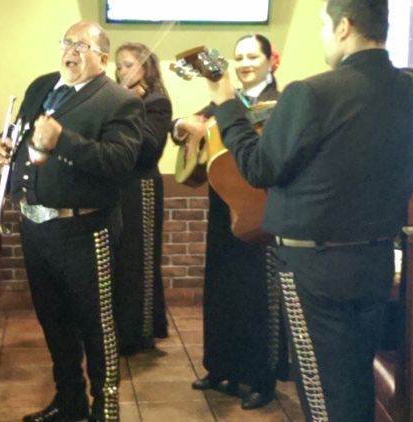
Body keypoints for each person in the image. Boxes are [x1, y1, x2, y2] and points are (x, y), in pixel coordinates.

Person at [204, 1, 413, 421]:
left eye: (324, 25)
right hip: (377, 257)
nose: (323, 35)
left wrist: (226, 104)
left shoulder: (312, 92)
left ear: (344, 26)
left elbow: (257, 168)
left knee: (323, 392)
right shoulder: (410, 90)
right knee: (357, 382)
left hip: (315, 266)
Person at [0, 21, 145, 422]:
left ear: (102, 59)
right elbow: (18, 134)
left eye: (81, 45)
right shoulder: (42, 86)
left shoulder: (118, 101)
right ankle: (69, 399)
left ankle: (105, 407)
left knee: (96, 325)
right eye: (66, 42)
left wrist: (64, 141)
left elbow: (119, 162)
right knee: (53, 322)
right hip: (35, 228)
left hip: (84, 231)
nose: (70, 50)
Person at [171, 34, 290, 410]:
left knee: (259, 299)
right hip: (223, 211)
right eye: (238, 57)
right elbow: (184, 131)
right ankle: (220, 367)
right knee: (221, 290)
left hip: (262, 212)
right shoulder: (225, 100)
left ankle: (261, 378)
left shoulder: (285, 103)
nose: (243, 63)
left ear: (273, 59)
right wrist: (182, 128)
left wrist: (211, 125)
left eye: (252, 56)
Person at [113, 42, 172, 355]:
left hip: (143, 188)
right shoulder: (118, 99)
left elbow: (149, 148)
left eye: (127, 64)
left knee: (141, 260)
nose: (121, 71)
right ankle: (121, 330)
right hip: (118, 189)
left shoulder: (156, 101)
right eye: (119, 65)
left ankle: (142, 332)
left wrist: (132, 108)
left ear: (145, 68)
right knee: (120, 261)